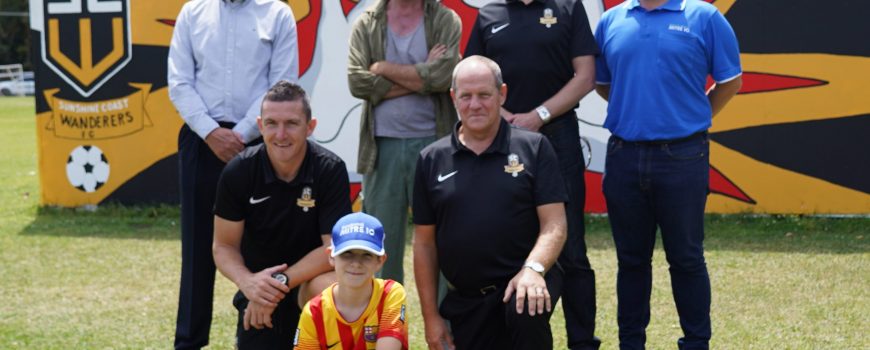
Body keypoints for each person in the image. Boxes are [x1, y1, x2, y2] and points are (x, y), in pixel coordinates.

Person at [594, 0, 742, 348]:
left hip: (684, 155)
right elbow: (604, 84)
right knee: (630, 261)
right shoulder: (611, 21)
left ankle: (696, 342)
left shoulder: (704, 17)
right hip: (624, 155)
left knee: (686, 258)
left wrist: (695, 114)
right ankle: (631, 343)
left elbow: (730, 80)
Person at [464, 0, 600, 347]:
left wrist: (539, 115)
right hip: (500, 135)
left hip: (558, 135)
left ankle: (582, 342)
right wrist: (505, 116)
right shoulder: (489, 13)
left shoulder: (568, 7)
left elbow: (585, 76)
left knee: (571, 247)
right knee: (503, 238)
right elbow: (471, 73)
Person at [167, 0, 299, 348]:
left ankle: (259, 333)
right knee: (197, 248)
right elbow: (179, 82)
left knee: (262, 242)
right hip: (201, 138)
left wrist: (241, 134)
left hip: (259, 140)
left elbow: (282, 84)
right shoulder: (193, 12)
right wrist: (211, 132)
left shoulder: (277, 13)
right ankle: (189, 342)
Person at [413, 56, 568, 350]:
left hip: (523, 282)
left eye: (484, 95)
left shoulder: (534, 147)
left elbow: (555, 223)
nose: (475, 104)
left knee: (525, 306)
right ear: (453, 98)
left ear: (502, 94)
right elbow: (424, 244)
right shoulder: (431, 159)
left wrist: (533, 269)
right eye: (466, 96)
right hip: (466, 299)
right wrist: (431, 317)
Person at [212, 81, 350, 348]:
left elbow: (332, 249)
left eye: (292, 123)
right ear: (260, 125)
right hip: (259, 292)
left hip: (307, 283)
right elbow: (223, 246)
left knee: (338, 292)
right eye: (272, 123)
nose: (281, 134)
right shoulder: (238, 171)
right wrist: (249, 283)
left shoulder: (329, 169)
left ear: (310, 127)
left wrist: (280, 282)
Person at [347, 0, 461, 284]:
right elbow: (357, 82)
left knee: (444, 240)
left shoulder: (445, 19)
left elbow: (445, 77)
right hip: (382, 146)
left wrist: (383, 67)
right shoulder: (366, 22)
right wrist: (423, 74)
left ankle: (445, 327)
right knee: (380, 245)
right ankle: (385, 324)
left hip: (437, 144)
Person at [294, 212, 408, 350]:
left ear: (380, 260)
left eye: (367, 255)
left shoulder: (390, 294)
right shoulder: (313, 312)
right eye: (347, 254)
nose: (356, 263)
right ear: (331, 256)